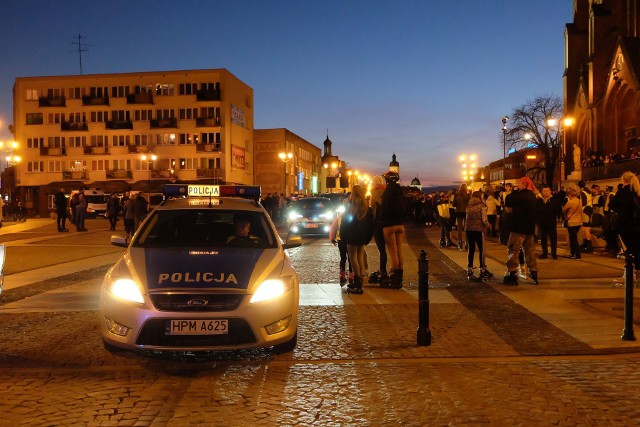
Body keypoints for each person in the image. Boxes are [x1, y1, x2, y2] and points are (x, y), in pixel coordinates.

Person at [503, 177, 539, 285]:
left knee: (513, 249)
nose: (517, 185)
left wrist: (512, 192)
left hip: (518, 227)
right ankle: (534, 272)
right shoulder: (533, 196)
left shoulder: (519, 195)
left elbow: (508, 202)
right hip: (530, 228)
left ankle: (512, 272)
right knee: (529, 251)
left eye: (518, 183)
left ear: (523, 184)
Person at [339, 185, 374, 293]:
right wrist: (368, 237)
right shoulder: (366, 205)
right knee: (359, 256)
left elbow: (344, 222)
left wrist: (343, 235)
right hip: (362, 234)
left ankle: (357, 279)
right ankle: (360, 279)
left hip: (351, 234)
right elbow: (370, 223)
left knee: (352, 257)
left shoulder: (349, 204)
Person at [609, 171, 640, 287]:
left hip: (625, 226)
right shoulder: (637, 191)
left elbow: (612, 205)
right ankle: (638, 275)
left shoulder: (623, 191)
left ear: (624, 180)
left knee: (628, 251)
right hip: (638, 226)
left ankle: (628, 276)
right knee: (637, 250)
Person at [379, 171, 407, 289]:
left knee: (392, 251)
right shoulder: (401, 192)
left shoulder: (388, 192)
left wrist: (381, 219)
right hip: (400, 224)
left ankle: (395, 275)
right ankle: (400, 274)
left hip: (389, 224)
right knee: (399, 249)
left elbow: (384, 209)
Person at [367, 175, 390, 286]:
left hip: (378, 225)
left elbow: (373, 213)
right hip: (388, 224)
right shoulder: (387, 193)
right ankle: (392, 271)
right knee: (392, 250)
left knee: (382, 250)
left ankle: (383, 271)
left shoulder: (375, 194)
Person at [465, 190, 492, 281]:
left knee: (471, 249)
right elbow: (484, 220)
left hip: (469, 230)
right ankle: (482, 268)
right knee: (481, 249)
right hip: (478, 230)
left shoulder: (468, 206)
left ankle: (470, 268)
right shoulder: (482, 207)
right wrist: (488, 226)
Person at [329, 197, 353, 285]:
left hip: (340, 240)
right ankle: (351, 275)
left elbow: (333, 227)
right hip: (350, 239)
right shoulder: (353, 214)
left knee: (343, 258)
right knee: (351, 258)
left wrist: (332, 238)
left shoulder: (340, 215)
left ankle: (342, 275)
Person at [535, 186, 561, 259]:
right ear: (542, 192)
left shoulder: (554, 200)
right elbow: (536, 211)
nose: (546, 192)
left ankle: (554, 253)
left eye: (548, 190)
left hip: (551, 223)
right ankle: (544, 253)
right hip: (542, 223)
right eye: (545, 191)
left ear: (550, 191)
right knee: (543, 239)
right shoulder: (539, 200)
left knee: (553, 239)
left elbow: (558, 210)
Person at [562, 187, 583, 260]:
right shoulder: (580, 201)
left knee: (573, 239)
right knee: (573, 238)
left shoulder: (570, 202)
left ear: (570, 195)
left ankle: (577, 255)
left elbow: (563, 209)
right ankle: (572, 253)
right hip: (579, 222)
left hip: (571, 222)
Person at [578, 180, 594, 253]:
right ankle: (585, 243)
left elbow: (583, 202)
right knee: (584, 227)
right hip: (589, 208)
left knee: (586, 228)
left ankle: (588, 245)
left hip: (585, 209)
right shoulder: (587, 191)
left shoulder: (583, 192)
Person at [454, 183, 470, 250]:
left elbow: (453, 204)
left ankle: (459, 242)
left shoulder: (456, 195)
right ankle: (466, 242)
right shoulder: (468, 195)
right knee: (466, 228)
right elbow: (469, 203)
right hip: (465, 212)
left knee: (459, 228)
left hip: (458, 212)